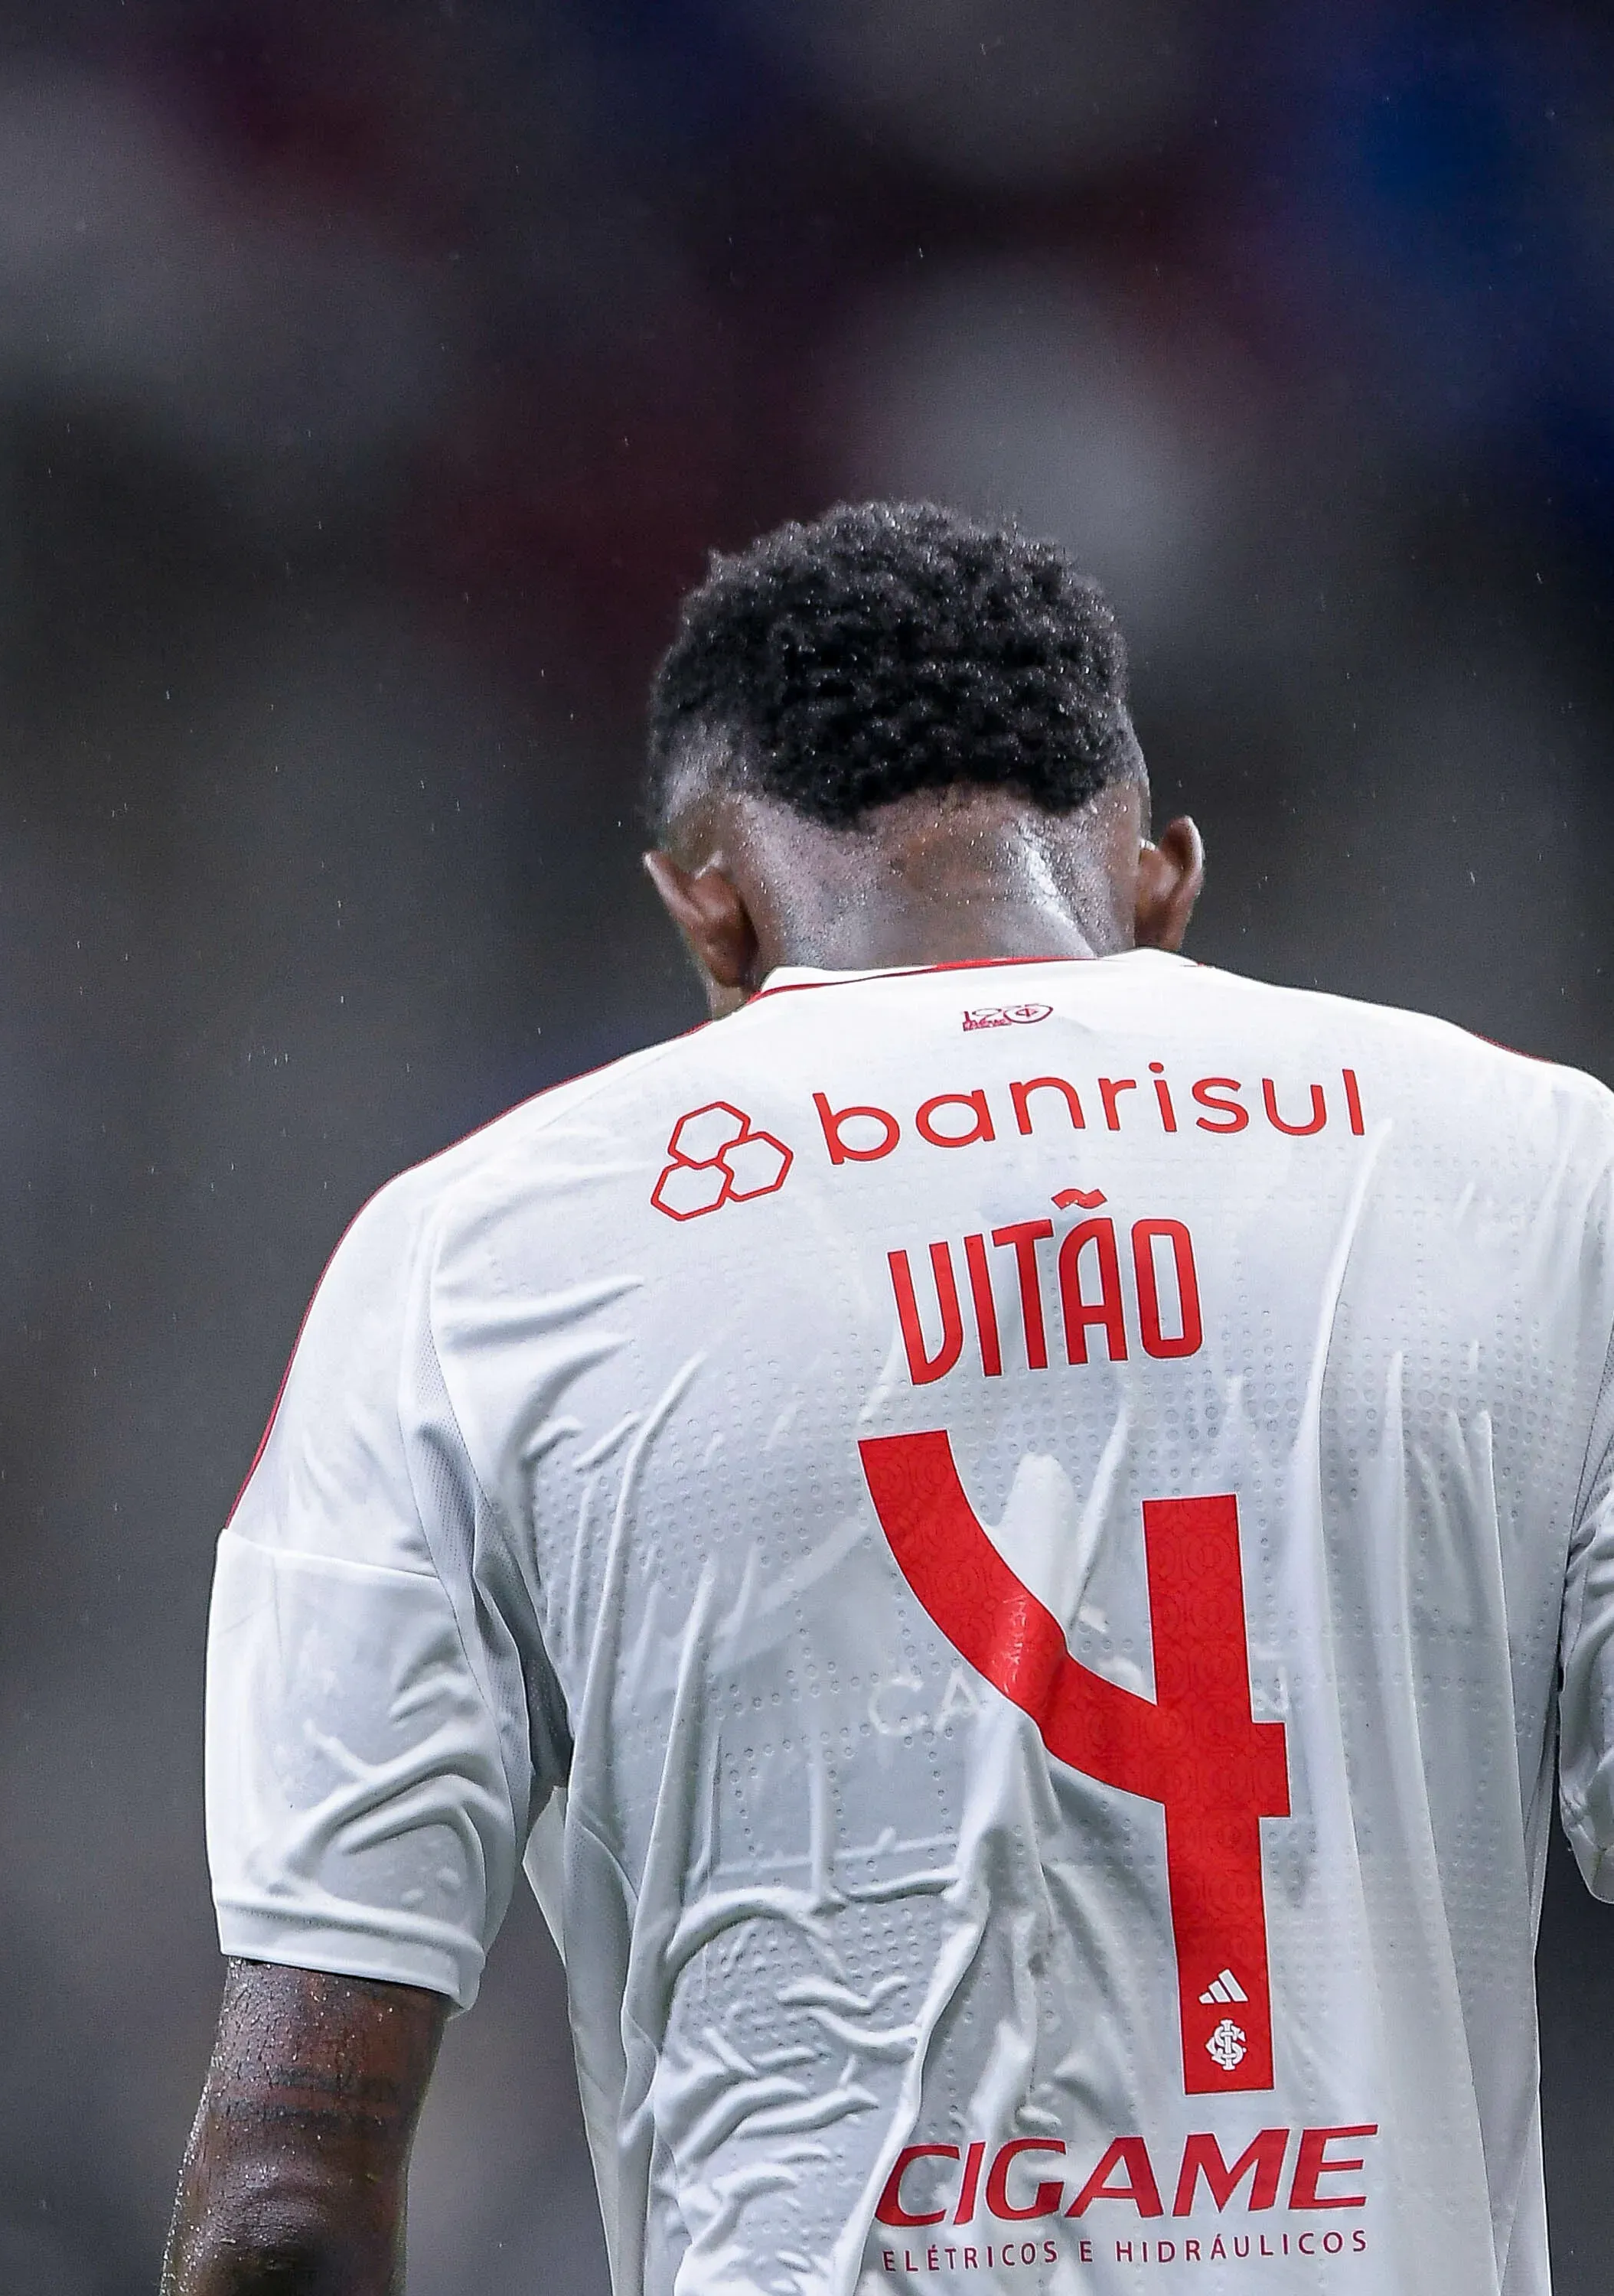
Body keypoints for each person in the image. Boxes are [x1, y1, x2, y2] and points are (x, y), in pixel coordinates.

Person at [164, 501, 1614, 2294]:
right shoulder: (1539, 1175)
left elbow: (283, 2210)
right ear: (1161, 883)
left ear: (704, 904)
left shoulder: (475, 1263)